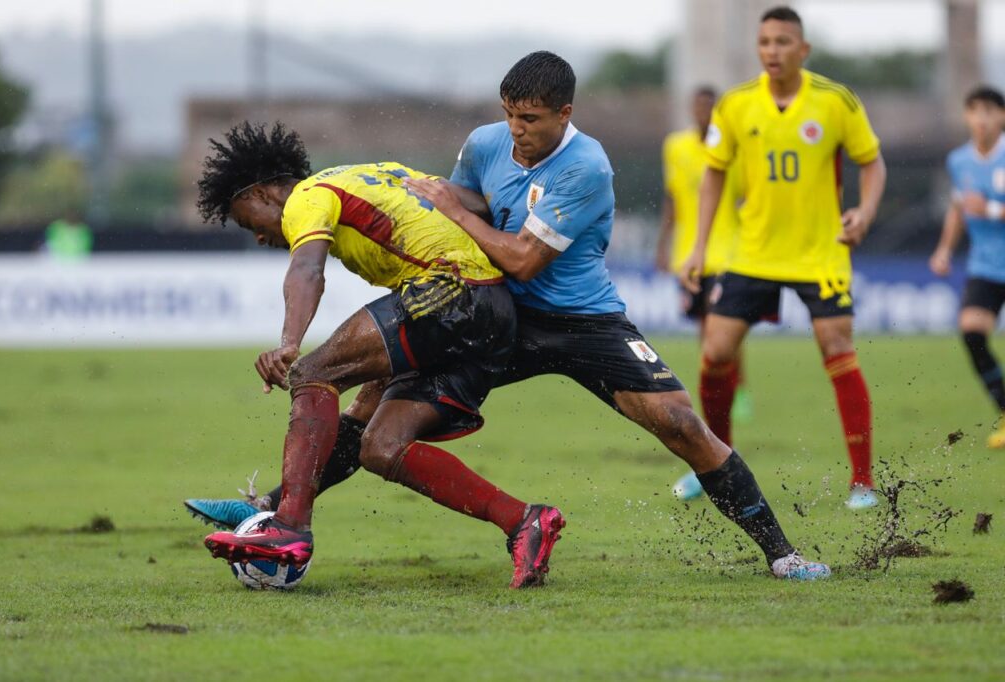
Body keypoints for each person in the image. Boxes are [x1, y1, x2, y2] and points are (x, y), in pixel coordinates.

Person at [192, 51, 831, 581]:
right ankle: (272, 513)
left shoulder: (587, 167)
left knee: (682, 425)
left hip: (579, 320)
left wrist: (456, 215)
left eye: (530, 118)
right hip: (490, 316)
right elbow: (453, 205)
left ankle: (782, 554)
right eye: (510, 115)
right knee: (372, 428)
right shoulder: (486, 144)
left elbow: (522, 257)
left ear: (565, 115)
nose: (517, 129)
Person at [195, 121, 565, 589]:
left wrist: (289, 343)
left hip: (451, 292)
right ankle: (525, 521)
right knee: (377, 443)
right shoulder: (375, 172)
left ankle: (288, 527)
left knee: (313, 373)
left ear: (265, 191)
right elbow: (475, 203)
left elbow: (308, 269)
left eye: (250, 221)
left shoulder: (308, 196)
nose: (260, 237)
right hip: (491, 314)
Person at [679, 6, 887, 511]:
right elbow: (713, 175)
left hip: (821, 255)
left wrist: (865, 212)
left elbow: (871, 163)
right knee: (716, 350)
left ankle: (862, 482)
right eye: (765, 42)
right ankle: (714, 464)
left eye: (783, 42)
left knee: (836, 345)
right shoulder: (735, 106)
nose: (772, 51)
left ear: (803, 49)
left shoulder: (835, 102)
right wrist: (701, 246)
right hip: (754, 252)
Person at [656, 86, 748, 502]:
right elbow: (674, 198)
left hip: (728, 253)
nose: (703, 113)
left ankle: (732, 403)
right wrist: (664, 243)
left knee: (718, 336)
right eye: (698, 106)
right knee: (706, 338)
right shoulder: (675, 147)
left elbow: (748, 198)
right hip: (689, 256)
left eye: (710, 107)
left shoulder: (735, 146)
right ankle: (714, 451)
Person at [929, 86, 1005, 448]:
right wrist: (944, 249)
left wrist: (990, 209)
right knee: (973, 332)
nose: (982, 119)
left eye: (989, 111)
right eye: (975, 111)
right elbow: (959, 207)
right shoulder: (959, 161)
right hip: (986, 265)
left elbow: (977, 206)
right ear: (966, 117)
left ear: (1001, 117)